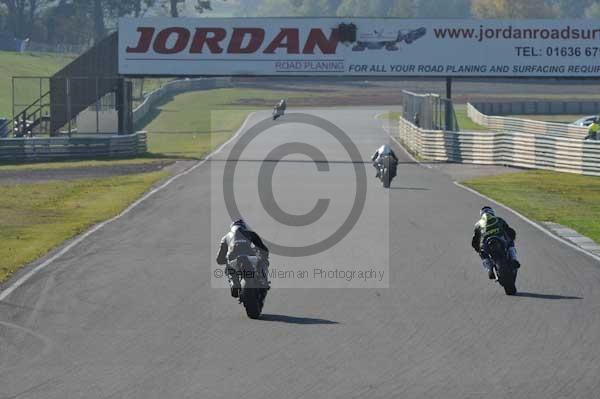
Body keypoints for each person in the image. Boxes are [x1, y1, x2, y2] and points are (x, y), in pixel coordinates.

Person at [216, 219, 270, 297]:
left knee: (228, 265)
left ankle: (234, 283)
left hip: (233, 260)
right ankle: (262, 279)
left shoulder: (225, 237)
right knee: (262, 261)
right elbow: (264, 249)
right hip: (250, 258)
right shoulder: (250, 234)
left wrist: (225, 260)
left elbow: (219, 259)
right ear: (244, 227)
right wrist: (264, 257)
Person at [471, 206, 520, 280]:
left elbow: (475, 240)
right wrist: (512, 238)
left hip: (487, 243)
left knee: (482, 253)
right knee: (510, 244)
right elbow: (509, 230)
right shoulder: (499, 219)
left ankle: (489, 269)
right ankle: (514, 260)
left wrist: (477, 249)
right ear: (492, 212)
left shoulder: (477, 224)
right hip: (499, 240)